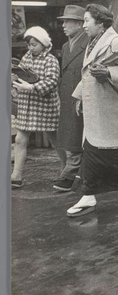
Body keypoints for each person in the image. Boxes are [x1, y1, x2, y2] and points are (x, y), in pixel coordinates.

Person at [67, 4, 118, 217]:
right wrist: (80, 96)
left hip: (114, 110)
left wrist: (107, 71)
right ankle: (88, 194)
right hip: (101, 107)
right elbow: (88, 73)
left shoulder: (115, 42)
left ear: (101, 23)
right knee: (94, 149)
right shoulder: (95, 41)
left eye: (87, 20)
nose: (84, 25)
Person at [11, 27, 63, 188]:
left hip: (45, 105)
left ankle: (68, 169)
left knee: (55, 139)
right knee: (20, 139)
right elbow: (22, 75)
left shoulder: (51, 60)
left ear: (43, 44)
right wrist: (15, 78)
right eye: (29, 45)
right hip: (27, 105)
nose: (31, 48)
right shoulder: (25, 58)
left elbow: (52, 81)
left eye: (34, 44)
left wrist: (32, 87)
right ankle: (16, 176)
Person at [53, 5, 89, 192]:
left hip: (82, 96)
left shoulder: (89, 43)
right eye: (63, 21)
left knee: (77, 135)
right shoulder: (67, 46)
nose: (64, 25)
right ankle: (79, 173)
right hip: (68, 96)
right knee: (72, 135)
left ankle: (68, 174)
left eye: (68, 21)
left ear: (80, 24)